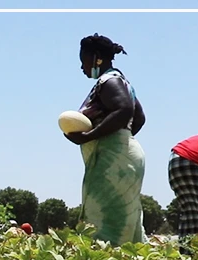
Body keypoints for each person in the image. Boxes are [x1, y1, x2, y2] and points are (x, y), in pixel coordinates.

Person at [63, 33, 148, 246]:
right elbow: (139, 118)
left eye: (83, 60)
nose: (82, 67)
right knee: (125, 218)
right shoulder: (123, 82)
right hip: (125, 154)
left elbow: (124, 109)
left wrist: (90, 136)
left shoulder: (108, 81)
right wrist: (120, 140)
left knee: (103, 220)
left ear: (96, 58)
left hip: (113, 161)